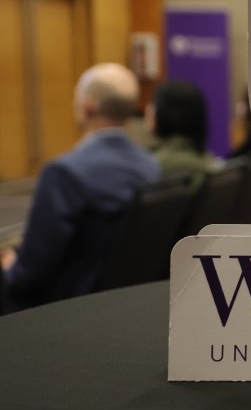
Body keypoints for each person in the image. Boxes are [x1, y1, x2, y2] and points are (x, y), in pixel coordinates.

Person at [0, 63, 160, 313]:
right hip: (123, 300)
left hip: (61, 308)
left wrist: (12, 268)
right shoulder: (150, 167)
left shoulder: (64, 174)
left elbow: (30, 273)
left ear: (87, 107)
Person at [147, 79, 220, 182]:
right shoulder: (209, 160)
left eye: (154, 104)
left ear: (169, 114)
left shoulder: (155, 165)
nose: (148, 109)